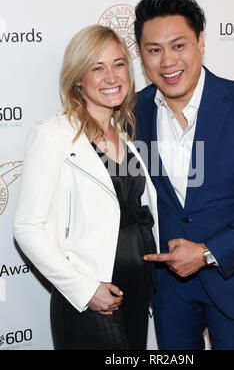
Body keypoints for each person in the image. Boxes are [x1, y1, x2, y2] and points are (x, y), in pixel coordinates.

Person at [133, 0, 234, 350]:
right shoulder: (135, 112)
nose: (168, 62)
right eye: (154, 50)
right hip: (168, 291)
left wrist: (207, 252)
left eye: (179, 45)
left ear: (200, 43)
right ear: (141, 56)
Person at [13, 24, 159, 350]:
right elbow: (26, 227)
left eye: (119, 64)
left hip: (135, 294)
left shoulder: (127, 140)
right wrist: (85, 289)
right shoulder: (54, 135)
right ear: (78, 78)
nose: (111, 76)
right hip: (89, 299)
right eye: (97, 67)